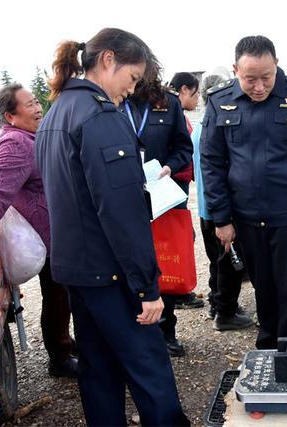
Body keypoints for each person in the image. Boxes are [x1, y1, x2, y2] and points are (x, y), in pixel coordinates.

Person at [34, 28, 189, 426]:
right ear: (107, 60)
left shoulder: (55, 112)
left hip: (77, 270)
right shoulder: (100, 117)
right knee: (148, 368)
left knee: (99, 370)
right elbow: (120, 212)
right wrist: (146, 287)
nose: (130, 89)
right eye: (132, 77)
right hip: (112, 272)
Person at [200, 35, 287, 349]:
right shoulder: (220, 101)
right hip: (245, 215)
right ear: (235, 71)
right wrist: (221, 218)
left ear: (276, 66)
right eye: (250, 79)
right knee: (261, 285)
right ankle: (268, 345)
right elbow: (211, 163)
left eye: (266, 77)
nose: (259, 87)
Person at [0, 84, 78, 378]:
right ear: (11, 116)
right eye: (29, 104)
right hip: (45, 236)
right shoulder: (16, 142)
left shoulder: (30, 136)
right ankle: (60, 356)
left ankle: (65, 343)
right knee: (57, 295)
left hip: (55, 231)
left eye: (36, 101)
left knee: (62, 294)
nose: (38, 107)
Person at [122, 68, 195, 357]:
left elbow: (183, 148)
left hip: (164, 194)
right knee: (130, 258)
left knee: (165, 260)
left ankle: (166, 330)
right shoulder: (113, 100)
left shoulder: (168, 103)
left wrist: (169, 167)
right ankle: (134, 330)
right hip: (125, 196)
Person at [191, 73, 254, 331]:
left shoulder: (199, 127)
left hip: (208, 209)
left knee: (218, 260)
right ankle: (225, 312)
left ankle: (217, 305)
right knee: (228, 262)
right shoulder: (217, 127)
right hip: (221, 210)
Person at [166, 72, 206, 312]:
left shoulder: (177, 115)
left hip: (179, 186)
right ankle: (176, 289)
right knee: (175, 241)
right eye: (195, 93)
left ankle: (180, 288)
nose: (198, 98)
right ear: (183, 90)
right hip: (171, 187)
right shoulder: (169, 117)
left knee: (184, 238)